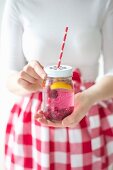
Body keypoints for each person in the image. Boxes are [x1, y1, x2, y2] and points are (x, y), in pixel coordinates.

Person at [1, 0, 113, 169]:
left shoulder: (103, 3)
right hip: (33, 122)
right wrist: (23, 81)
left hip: (88, 111)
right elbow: (9, 77)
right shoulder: (18, 3)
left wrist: (89, 97)